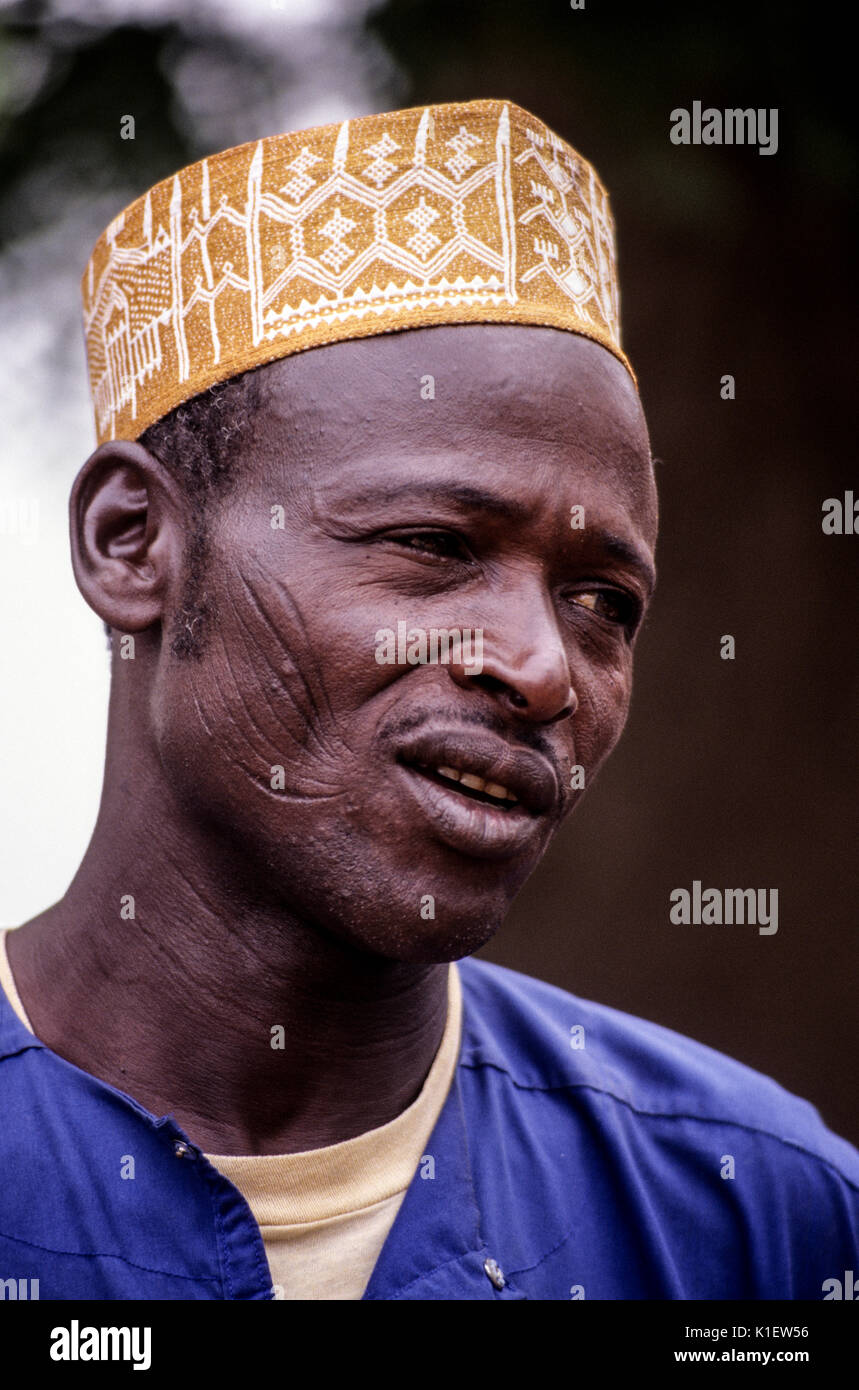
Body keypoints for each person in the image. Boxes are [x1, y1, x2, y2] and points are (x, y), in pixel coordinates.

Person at [1, 98, 856, 1302]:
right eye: (433, 545)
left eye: (602, 602)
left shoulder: (758, 1221)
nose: (543, 669)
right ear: (132, 541)